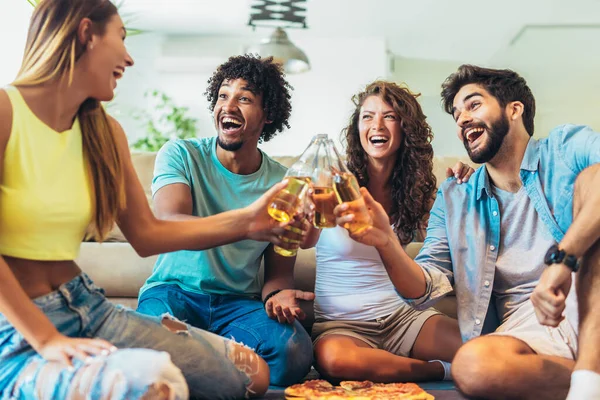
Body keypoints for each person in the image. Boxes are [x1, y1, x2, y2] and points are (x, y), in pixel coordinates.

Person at [0, 1, 310, 398]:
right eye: (122, 39)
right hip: (20, 323)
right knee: (153, 383)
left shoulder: (104, 132)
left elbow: (146, 235)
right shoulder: (7, 112)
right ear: (86, 34)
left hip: (87, 305)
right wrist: (46, 339)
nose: (129, 58)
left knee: (251, 377)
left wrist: (255, 222)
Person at [334, 65, 599, 400]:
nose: (461, 120)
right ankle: (589, 379)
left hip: (588, 298)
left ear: (514, 109)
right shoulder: (455, 196)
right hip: (528, 330)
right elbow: (426, 288)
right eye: (457, 114)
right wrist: (387, 241)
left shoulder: (563, 148)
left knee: (594, 179)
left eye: (473, 105)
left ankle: (589, 376)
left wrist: (562, 261)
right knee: (470, 366)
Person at [136, 54, 314, 387]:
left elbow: (277, 276)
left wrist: (278, 298)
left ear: (268, 115)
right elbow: (170, 223)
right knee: (152, 337)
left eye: (243, 98)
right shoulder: (181, 154)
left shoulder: (284, 182)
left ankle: (195, 357)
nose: (228, 106)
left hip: (237, 306)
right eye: (222, 95)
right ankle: (219, 361)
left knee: (294, 353)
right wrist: (248, 220)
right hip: (174, 294)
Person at [301, 80, 473, 383]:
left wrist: (462, 192)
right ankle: (437, 371)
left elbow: (448, 246)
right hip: (341, 326)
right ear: (357, 127)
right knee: (336, 362)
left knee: (479, 350)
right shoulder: (334, 182)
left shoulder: (419, 192)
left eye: (389, 116)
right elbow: (304, 240)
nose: (376, 125)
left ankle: (389, 365)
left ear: (406, 127)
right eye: (367, 116)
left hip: (404, 318)